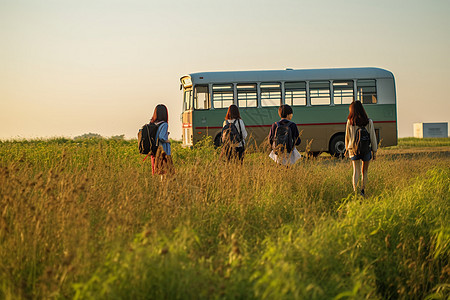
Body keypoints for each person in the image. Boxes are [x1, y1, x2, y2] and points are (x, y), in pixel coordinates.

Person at [345, 101, 378, 196]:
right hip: (366, 149)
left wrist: (347, 149)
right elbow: (372, 137)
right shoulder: (368, 121)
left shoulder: (350, 122)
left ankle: (355, 192)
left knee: (356, 171)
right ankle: (363, 191)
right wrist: (374, 151)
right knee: (365, 171)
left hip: (353, 150)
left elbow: (347, 136)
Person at [150, 104, 173, 175]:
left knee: (156, 170)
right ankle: (163, 185)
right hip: (163, 152)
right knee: (165, 172)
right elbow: (162, 137)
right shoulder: (164, 124)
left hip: (154, 151)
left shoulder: (152, 124)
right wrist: (168, 141)